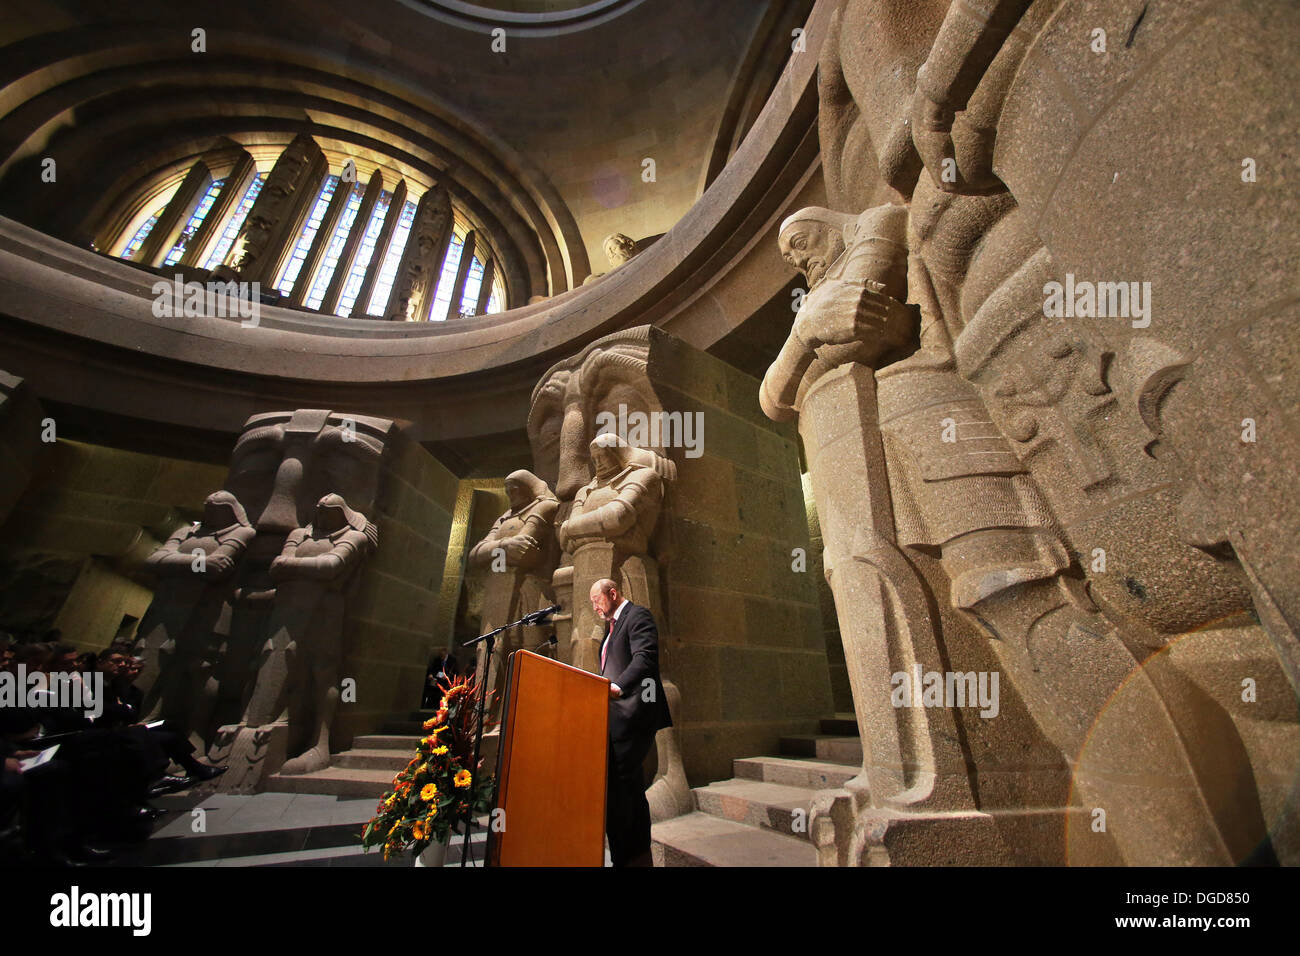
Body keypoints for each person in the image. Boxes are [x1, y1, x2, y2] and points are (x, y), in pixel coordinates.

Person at [588, 577, 671, 867]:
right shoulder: (608, 629)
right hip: (614, 719)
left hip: (635, 713)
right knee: (620, 789)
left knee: (625, 788)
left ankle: (634, 856)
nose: (595, 608)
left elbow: (645, 658)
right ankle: (628, 856)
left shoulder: (638, 616)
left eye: (597, 600)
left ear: (613, 593)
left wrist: (617, 686)